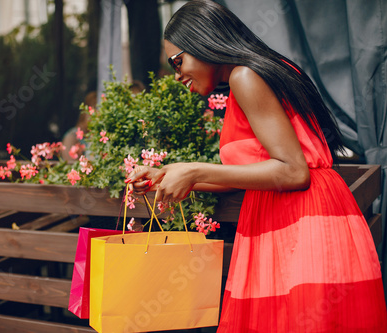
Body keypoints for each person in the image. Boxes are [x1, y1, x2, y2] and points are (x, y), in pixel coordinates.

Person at [127, 1, 387, 332]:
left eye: (177, 61)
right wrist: (169, 174)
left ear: (203, 40)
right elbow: (261, 173)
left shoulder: (245, 76)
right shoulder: (256, 72)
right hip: (301, 218)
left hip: (301, 222)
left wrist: (194, 171)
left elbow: (293, 172)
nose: (177, 75)